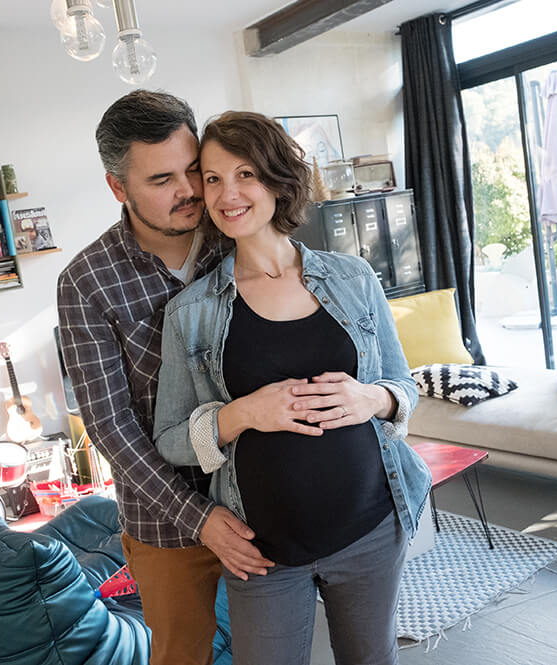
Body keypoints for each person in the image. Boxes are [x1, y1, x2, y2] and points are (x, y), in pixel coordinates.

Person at [152, 111, 432, 665]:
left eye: (245, 174)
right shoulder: (191, 313)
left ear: (278, 181)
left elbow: (404, 384)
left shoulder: (353, 278)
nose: (228, 193)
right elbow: (168, 437)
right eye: (212, 178)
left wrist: (371, 398)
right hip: (262, 553)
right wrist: (243, 414)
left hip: (372, 528)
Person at [57, 91, 273, 665]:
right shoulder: (86, 281)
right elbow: (109, 424)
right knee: (181, 655)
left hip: (262, 493)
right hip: (165, 518)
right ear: (117, 187)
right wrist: (198, 518)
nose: (189, 191)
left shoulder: (239, 238)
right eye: (161, 179)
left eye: (192, 171)